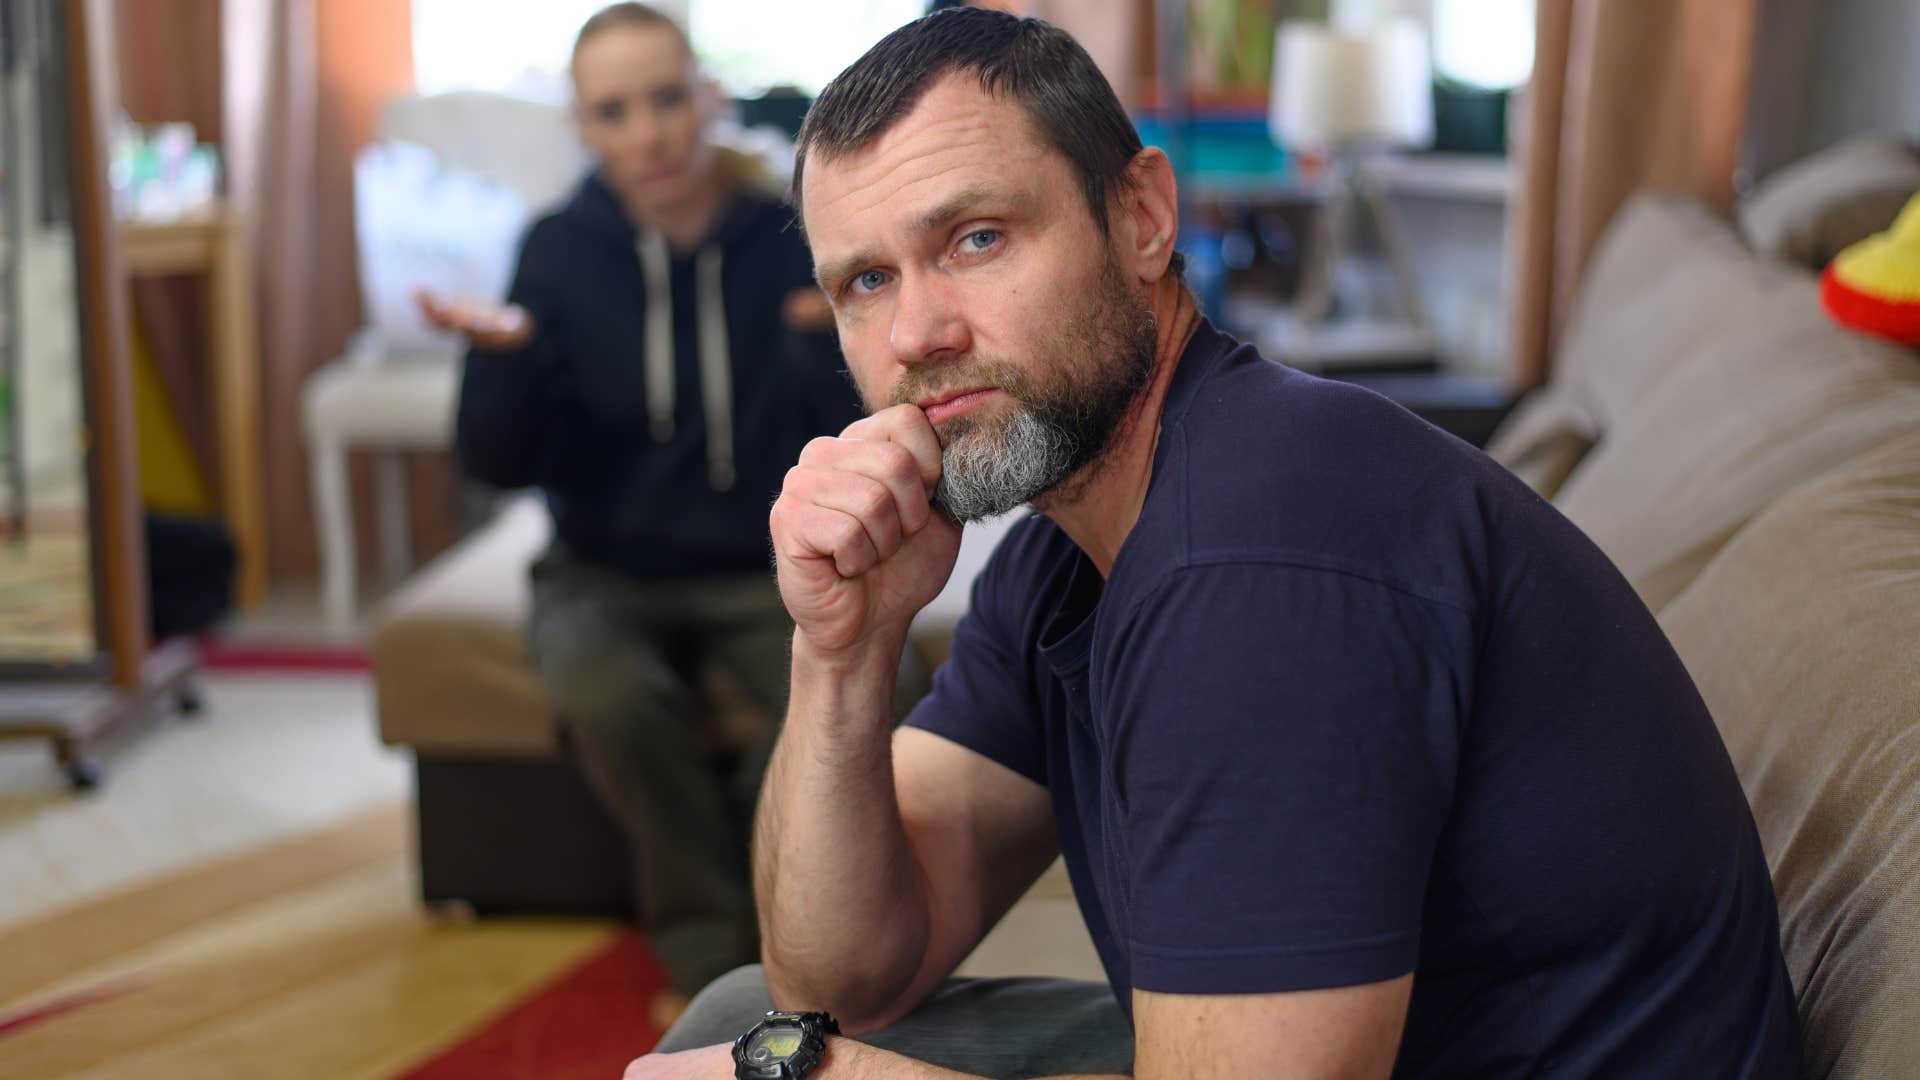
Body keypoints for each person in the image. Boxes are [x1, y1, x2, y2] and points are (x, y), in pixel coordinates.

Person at [626, 9, 1803, 1080]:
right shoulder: (1073, 530)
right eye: (866, 281)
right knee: (749, 1013)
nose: (919, 333)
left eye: (978, 239)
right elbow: (843, 976)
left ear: (1141, 217)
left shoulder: (1256, 557)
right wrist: (841, 651)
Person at [420, 2, 860, 1016]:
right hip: (603, 568)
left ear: (707, 96)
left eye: (667, 99)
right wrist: (505, 366)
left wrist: (814, 342)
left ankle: (780, 928)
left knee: (854, 697)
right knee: (608, 697)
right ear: (584, 127)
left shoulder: (788, 234)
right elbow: (505, 462)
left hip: (768, 562)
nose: (650, 133)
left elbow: (860, 433)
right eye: (615, 111)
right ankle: (716, 965)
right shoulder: (557, 250)